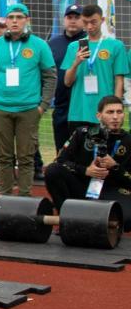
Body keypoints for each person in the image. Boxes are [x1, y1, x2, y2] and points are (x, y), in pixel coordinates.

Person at [0, 3, 56, 197]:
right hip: (0, 108)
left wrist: (43, 105)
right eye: (11, 17)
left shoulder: (39, 45)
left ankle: (24, 197)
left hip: (29, 109)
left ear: (26, 20)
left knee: (26, 156)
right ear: (6, 21)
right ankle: (4, 198)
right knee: (3, 157)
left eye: (19, 17)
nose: (15, 21)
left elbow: (50, 76)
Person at [44, 95, 131, 232]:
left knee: (126, 220)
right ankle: (66, 218)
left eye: (119, 112)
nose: (115, 117)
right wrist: (85, 171)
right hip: (82, 187)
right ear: (99, 115)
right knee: (52, 170)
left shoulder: (128, 141)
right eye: (110, 112)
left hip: (111, 190)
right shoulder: (82, 134)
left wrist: (115, 167)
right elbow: (60, 161)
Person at [62, 4, 128, 134]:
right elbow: (67, 82)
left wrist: (115, 110)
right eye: (85, 22)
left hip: (105, 112)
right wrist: (76, 63)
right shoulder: (73, 47)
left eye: (93, 22)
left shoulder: (116, 46)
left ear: (102, 20)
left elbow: (119, 80)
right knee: (80, 152)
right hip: (79, 112)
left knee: (104, 153)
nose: (89, 27)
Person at [48, 4, 87, 151]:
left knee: (83, 149)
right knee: (62, 150)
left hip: (83, 104)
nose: (73, 21)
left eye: (77, 17)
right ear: (64, 19)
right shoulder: (53, 44)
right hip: (61, 104)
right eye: (69, 17)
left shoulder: (89, 42)